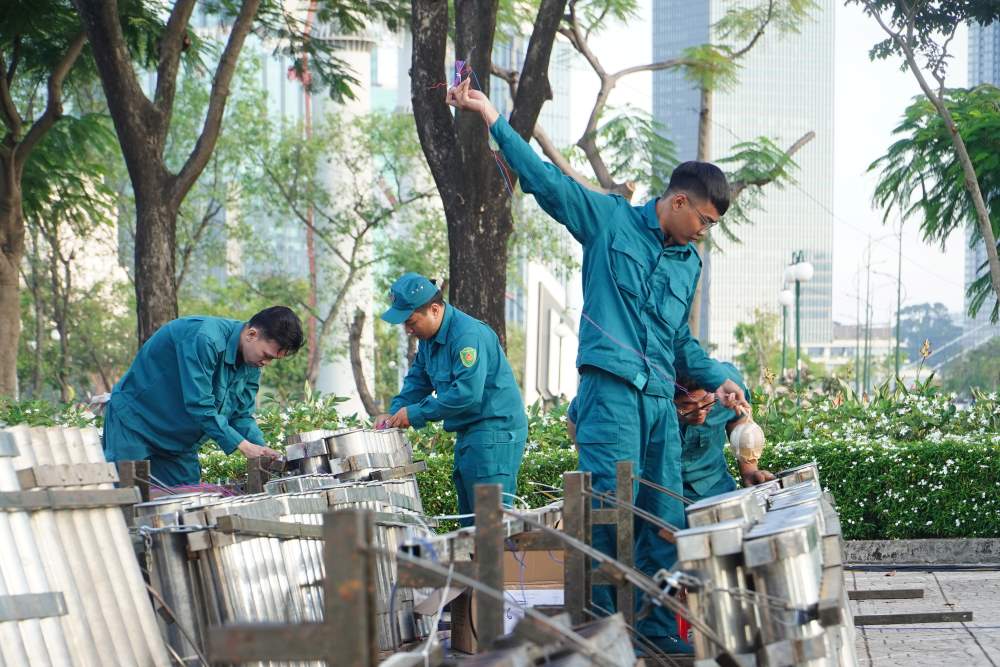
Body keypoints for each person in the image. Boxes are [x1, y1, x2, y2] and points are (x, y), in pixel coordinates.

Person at [447, 79, 748, 651]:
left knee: (664, 522)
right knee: (612, 515)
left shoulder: (689, 265)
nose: (706, 233)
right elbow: (546, 182)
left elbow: (680, 340)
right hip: (610, 395)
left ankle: (658, 637)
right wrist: (491, 116)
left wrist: (717, 380)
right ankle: (607, 639)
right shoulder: (608, 221)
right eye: (705, 220)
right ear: (679, 200)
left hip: (661, 402)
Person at [377, 273, 527, 525]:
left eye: (411, 322)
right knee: (470, 527)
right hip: (470, 434)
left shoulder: (467, 337)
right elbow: (416, 381)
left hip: (494, 434)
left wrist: (415, 414)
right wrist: (394, 413)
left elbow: (466, 394)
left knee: (490, 527)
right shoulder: (428, 340)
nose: (407, 330)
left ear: (434, 310)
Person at [103, 307, 303, 486]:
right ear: (252, 334)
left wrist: (261, 449)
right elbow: (199, 405)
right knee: (127, 501)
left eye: (272, 359)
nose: (266, 362)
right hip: (135, 424)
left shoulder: (252, 364)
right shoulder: (205, 338)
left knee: (188, 505)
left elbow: (241, 415)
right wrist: (242, 446)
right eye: (266, 355)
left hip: (178, 442)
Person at [674, 363, 775, 503]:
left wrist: (749, 472)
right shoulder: (651, 396)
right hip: (662, 490)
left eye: (706, 402)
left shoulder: (729, 386)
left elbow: (739, 420)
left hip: (715, 487)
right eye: (687, 405)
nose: (700, 412)